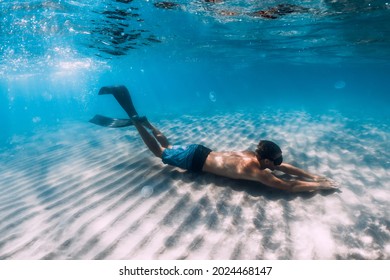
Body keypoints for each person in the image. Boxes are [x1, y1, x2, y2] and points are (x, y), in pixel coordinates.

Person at [91, 86, 339, 193]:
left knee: (167, 145)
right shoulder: (259, 172)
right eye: (276, 159)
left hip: (201, 150)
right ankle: (136, 120)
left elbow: (285, 168)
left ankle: (147, 122)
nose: (280, 163)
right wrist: (319, 186)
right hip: (194, 159)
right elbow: (288, 186)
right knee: (160, 153)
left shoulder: (251, 153)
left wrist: (314, 176)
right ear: (264, 160)